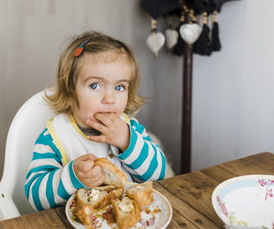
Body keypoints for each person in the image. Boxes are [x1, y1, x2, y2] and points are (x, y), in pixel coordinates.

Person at [24, 31, 167, 211]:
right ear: (70, 92)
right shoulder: (54, 137)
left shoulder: (130, 130)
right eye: (95, 85)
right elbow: (35, 198)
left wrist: (126, 141)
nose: (110, 98)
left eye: (119, 87)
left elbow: (159, 173)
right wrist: (72, 176)